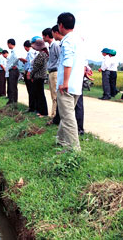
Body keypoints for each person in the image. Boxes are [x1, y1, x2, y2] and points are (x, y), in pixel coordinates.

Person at [56, 12, 84, 150]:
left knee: (67, 118)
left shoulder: (67, 41)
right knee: (66, 114)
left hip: (67, 85)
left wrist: (65, 82)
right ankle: (61, 141)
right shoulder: (79, 39)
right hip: (76, 84)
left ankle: (74, 149)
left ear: (60, 25)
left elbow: (68, 61)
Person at [30, 39, 49, 117]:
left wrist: (31, 74)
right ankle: (40, 110)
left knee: (40, 94)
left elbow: (36, 66)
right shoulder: (44, 54)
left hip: (39, 76)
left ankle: (43, 112)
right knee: (38, 94)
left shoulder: (41, 54)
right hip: (40, 76)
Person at [44, 27, 60, 118]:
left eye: (43, 36)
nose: (43, 38)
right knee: (52, 94)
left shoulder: (56, 45)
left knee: (55, 94)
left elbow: (59, 58)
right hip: (51, 72)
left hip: (55, 72)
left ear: (47, 36)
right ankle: (53, 113)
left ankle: (54, 115)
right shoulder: (50, 46)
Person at [20, 40, 37, 112]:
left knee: (31, 90)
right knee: (31, 90)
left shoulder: (30, 52)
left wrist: (28, 73)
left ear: (25, 47)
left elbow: (31, 63)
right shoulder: (32, 52)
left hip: (29, 72)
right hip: (30, 71)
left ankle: (32, 107)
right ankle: (32, 106)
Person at [6, 39, 19, 105]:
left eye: (7, 44)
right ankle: (11, 100)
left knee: (13, 86)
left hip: (13, 70)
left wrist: (14, 65)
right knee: (11, 86)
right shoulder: (12, 51)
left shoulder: (15, 51)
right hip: (11, 70)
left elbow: (17, 58)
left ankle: (14, 101)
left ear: (10, 44)